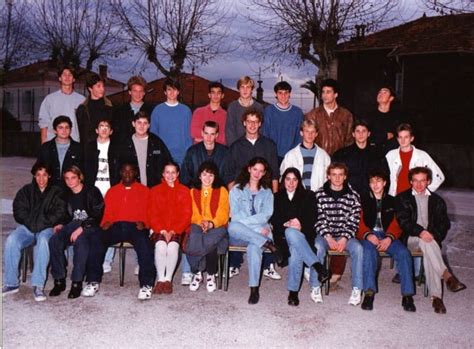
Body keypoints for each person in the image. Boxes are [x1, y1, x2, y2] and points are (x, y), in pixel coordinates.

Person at [396, 167, 466, 314]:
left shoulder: (437, 200)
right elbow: (404, 222)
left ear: (428, 181)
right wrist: (421, 232)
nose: (419, 184)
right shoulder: (403, 198)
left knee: (428, 246)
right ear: (410, 181)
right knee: (427, 242)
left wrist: (433, 235)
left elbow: (444, 224)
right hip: (410, 238)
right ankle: (447, 277)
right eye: (415, 181)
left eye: (422, 181)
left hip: (430, 239)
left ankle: (436, 299)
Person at [224, 109, 280, 279]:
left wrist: (274, 198)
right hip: (242, 196)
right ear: (244, 123)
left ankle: (268, 265)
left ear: (260, 124)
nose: (252, 125)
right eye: (249, 121)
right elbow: (229, 175)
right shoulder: (235, 146)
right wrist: (234, 198)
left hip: (263, 195)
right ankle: (234, 264)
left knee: (262, 223)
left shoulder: (269, 145)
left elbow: (275, 174)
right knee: (239, 224)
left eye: (256, 121)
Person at [2, 162, 67, 301]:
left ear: (49, 175)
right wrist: (32, 224)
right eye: (38, 175)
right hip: (28, 228)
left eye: (44, 175)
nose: (41, 179)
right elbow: (18, 211)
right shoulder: (26, 191)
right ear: (34, 176)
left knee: (43, 242)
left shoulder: (57, 192)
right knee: (12, 240)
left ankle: (38, 285)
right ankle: (11, 283)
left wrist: (41, 223)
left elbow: (59, 212)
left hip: (47, 228)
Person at [357, 168, 416, 312]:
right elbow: (358, 222)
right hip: (369, 235)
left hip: (388, 236)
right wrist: (367, 235)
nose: (375, 185)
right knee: (368, 252)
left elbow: (398, 223)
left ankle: (407, 295)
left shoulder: (393, 201)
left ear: (384, 183)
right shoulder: (362, 200)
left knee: (403, 253)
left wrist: (389, 238)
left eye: (378, 181)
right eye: (372, 182)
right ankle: (369, 293)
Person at [271, 168, 330, 306]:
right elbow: (274, 220)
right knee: (291, 234)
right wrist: (288, 224)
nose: (291, 183)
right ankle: (317, 266)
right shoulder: (276, 197)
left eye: (294, 179)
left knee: (296, 250)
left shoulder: (308, 195)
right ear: (283, 180)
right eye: (288, 179)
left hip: (305, 235)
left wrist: (300, 224)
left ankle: (293, 292)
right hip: (284, 238)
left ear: (299, 181)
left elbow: (313, 217)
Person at [228, 157, 283, 304]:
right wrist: (257, 229)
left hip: (259, 231)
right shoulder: (236, 190)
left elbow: (266, 215)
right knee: (232, 226)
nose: (257, 173)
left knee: (254, 247)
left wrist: (256, 228)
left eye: (261, 171)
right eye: (255, 169)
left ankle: (254, 289)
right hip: (244, 234)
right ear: (249, 169)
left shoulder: (267, 193)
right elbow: (235, 216)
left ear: (264, 173)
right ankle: (267, 244)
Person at [100, 163, 155, 300]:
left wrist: (146, 224)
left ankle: (146, 284)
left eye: (130, 171)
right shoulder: (112, 191)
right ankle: (92, 280)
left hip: (135, 227)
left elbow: (151, 213)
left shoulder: (145, 191)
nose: (127, 174)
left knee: (145, 244)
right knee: (96, 238)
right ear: (120, 173)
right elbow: (107, 213)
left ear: (135, 173)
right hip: (116, 226)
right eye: (124, 171)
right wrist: (105, 223)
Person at [48, 166, 105, 299]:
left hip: (91, 226)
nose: (70, 181)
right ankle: (59, 280)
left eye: (73, 178)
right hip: (72, 225)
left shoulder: (92, 191)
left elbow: (97, 215)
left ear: (80, 177)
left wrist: (82, 228)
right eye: (67, 178)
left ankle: (76, 282)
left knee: (81, 243)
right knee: (54, 240)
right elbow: (64, 214)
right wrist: (60, 223)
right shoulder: (65, 193)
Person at [313, 163, 363, 306]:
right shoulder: (319, 194)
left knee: (358, 249)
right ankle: (315, 287)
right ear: (328, 176)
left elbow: (354, 220)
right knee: (317, 247)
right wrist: (328, 237)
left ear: (345, 177)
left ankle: (356, 289)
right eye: (334, 174)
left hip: (344, 235)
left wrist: (344, 238)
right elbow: (318, 218)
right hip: (324, 235)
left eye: (340, 174)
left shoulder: (353, 196)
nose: (337, 178)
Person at [149, 161, 192, 295]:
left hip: (177, 228)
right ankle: (161, 278)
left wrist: (174, 230)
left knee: (173, 247)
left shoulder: (184, 191)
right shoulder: (155, 190)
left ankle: (168, 280)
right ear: (163, 174)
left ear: (178, 174)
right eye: (167, 172)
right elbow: (152, 213)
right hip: (159, 228)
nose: (170, 175)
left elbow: (186, 214)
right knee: (161, 246)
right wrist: (162, 230)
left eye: (173, 172)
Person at [83, 117, 120, 273]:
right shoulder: (89, 147)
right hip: (94, 188)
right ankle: (91, 256)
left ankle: (107, 259)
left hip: (110, 188)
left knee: (109, 221)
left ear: (111, 131)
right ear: (97, 130)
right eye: (101, 126)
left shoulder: (116, 148)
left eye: (107, 126)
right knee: (93, 221)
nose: (104, 129)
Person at [186, 161, 229, 292]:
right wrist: (201, 222)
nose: (207, 178)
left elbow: (224, 213)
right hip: (197, 224)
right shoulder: (193, 191)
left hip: (217, 225)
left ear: (215, 177)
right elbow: (192, 212)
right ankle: (198, 273)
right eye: (204, 175)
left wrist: (211, 223)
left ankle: (209, 273)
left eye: (211, 175)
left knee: (210, 237)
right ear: (199, 176)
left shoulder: (222, 191)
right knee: (193, 235)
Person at [333, 119, 389, 197]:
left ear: (369, 134)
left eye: (364, 131)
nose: (361, 134)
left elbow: (386, 176)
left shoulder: (377, 154)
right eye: (358, 131)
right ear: (353, 134)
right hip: (349, 198)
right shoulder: (342, 154)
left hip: (371, 198)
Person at [386, 123, 444, 196]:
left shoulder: (422, 155)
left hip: (415, 198)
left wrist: (424, 192)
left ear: (412, 138)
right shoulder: (390, 155)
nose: (403, 140)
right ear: (397, 139)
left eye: (406, 137)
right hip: (395, 197)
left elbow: (439, 177)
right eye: (400, 137)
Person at [119, 111, 172, 188]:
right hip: (133, 189)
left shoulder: (157, 142)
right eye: (139, 122)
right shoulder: (125, 143)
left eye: (145, 123)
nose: (142, 126)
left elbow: (167, 163)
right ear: (133, 124)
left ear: (149, 125)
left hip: (154, 189)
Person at [305, 78, 354, 156]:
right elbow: (308, 139)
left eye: (328, 92)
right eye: (323, 92)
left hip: (340, 160)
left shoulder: (346, 115)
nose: (324, 95)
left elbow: (349, 140)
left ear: (335, 95)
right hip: (319, 159)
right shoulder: (313, 115)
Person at [280, 119, 330, 192]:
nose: (310, 135)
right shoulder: (291, 155)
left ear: (316, 134)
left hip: (317, 196)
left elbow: (328, 179)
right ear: (301, 133)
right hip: (297, 196)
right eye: (307, 131)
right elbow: (283, 178)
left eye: (313, 132)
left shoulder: (324, 156)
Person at [150, 78, 192, 165]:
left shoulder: (186, 110)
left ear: (178, 92)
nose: (172, 92)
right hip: (163, 155)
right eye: (169, 89)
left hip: (181, 156)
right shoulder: (157, 110)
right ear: (165, 92)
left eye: (175, 89)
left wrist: (188, 153)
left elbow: (189, 135)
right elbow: (153, 135)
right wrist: (157, 153)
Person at [38, 65, 84, 143]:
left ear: (74, 79)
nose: (67, 77)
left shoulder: (81, 100)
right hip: (53, 144)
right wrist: (44, 145)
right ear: (60, 78)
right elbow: (43, 124)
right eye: (64, 74)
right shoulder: (49, 99)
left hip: (74, 143)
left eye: (70, 75)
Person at [262, 81, 303, 162]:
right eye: (280, 93)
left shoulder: (297, 112)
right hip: (272, 155)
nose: (283, 96)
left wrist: (293, 153)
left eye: (286, 93)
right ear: (276, 94)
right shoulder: (269, 111)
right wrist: (269, 153)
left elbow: (299, 136)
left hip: (292, 156)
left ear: (289, 94)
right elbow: (265, 134)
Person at [180, 120, 230, 187]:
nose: (208, 137)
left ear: (216, 135)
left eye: (212, 134)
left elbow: (228, 176)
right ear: (202, 133)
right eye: (206, 133)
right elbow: (185, 177)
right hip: (196, 190)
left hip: (218, 191)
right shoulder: (192, 152)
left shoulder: (224, 152)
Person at [37, 115, 83, 185]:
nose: (64, 130)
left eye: (67, 127)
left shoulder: (79, 149)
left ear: (70, 130)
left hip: (71, 190)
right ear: (54, 130)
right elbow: (38, 170)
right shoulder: (46, 148)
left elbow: (83, 172)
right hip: (50, 189)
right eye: (60, 127)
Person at [76, 73, 113, 151]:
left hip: (106, 149)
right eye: (98, 86)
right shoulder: (82, 109)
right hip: (88, 151)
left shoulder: (110, 107)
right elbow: (81, 134)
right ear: (90, 88)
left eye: (103, 86)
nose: (102, 89)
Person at [112, 75, 155, 142]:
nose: (138, 94)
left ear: (144, 93)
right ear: (129, 92)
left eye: (141, 91)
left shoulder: (151, 111)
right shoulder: (119, 111)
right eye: (135, 91)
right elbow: (115, 135)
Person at [225, 76, 264, 146]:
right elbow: (229, 131)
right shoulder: (232, 107)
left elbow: (262, 130)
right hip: (237, 148)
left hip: (255, 147)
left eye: (248, 87)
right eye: (242, 87)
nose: (245, 90)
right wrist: (235, 149)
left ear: (252, 90)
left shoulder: (259, 107)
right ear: (238, 89)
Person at [366, 86, 403, 156]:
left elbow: (398, 137)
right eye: (379, 92)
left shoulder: (397, 117)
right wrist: (385, 136)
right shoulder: (368, 116)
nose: (380, 94)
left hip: (391, 155)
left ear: (391, 98)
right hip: (372, 154)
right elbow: (366, 136)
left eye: (385, 92)